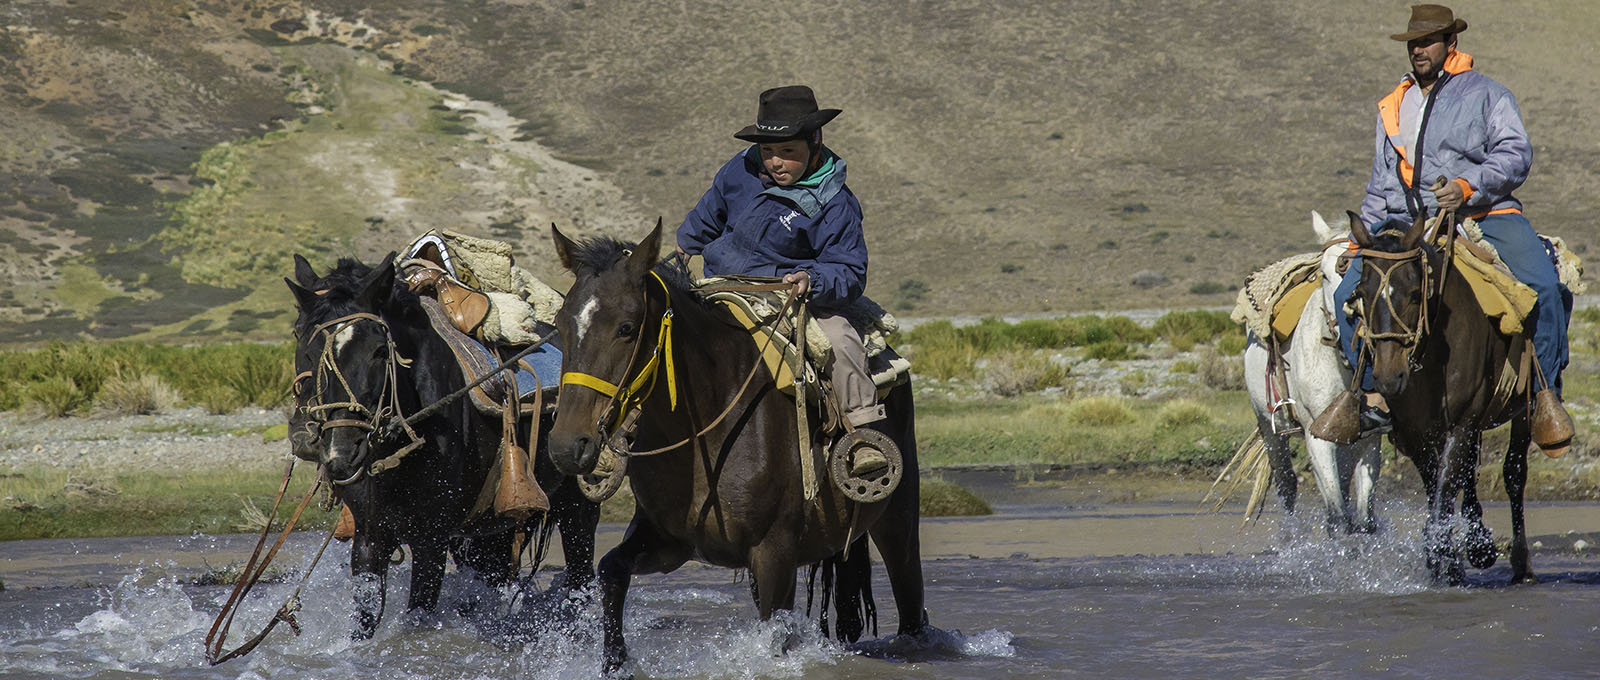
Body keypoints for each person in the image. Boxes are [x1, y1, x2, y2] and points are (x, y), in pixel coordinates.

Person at [1330, 4, 1571, 444]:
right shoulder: (1393, 104)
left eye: (1427, 42)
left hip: (1484, 214)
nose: (1418, 50)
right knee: (1346, 294)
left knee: (1546, 289)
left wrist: (1466, 185)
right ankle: (1373, 400)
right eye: (1413, 44)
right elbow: (1381, 182)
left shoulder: (1487, 95)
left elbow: (1515, 153)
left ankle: (1544, 397)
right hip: (1409, 225)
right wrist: (1357, 239)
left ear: (1450, 43)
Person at [676, 85, 889, 475]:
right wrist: (685, 247)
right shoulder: (738, 170)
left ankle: (861, 434)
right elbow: (710, 212)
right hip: (721, 284)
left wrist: (813, 278)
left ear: (815, 141)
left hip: (790, 294)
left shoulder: (835, 201)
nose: (775, 162)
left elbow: (850, 270)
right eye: (768, 151)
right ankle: (626, 431)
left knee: (840, 341)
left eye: (788, 152)